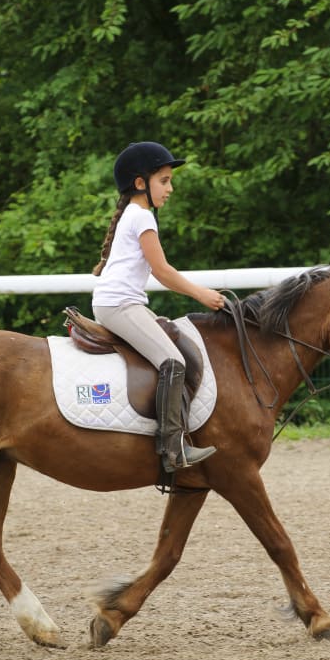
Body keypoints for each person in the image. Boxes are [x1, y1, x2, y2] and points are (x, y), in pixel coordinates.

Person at [92, 141, 226, 472]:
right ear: (141, 183)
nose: (170, 188)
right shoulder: (143, 217)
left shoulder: (134, 214)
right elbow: (162, 271)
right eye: (164, 181)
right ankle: (172, 448)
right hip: (119, 305)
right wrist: (202, 295)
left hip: (120, 303)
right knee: (173, 361)